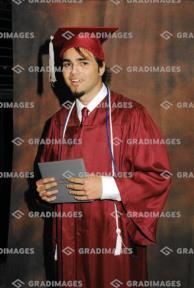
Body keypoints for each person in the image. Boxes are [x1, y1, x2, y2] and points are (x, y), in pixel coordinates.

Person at [36, 27, 171, 288]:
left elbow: (158, 177)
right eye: (67, 64)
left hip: (112, 238)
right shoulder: (57, 123)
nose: (73, 72)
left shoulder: (131, 115)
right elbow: (46, 184)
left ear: (101, 67)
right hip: (66, 240)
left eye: (83, 63)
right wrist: (44, 193)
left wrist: (107, 187)